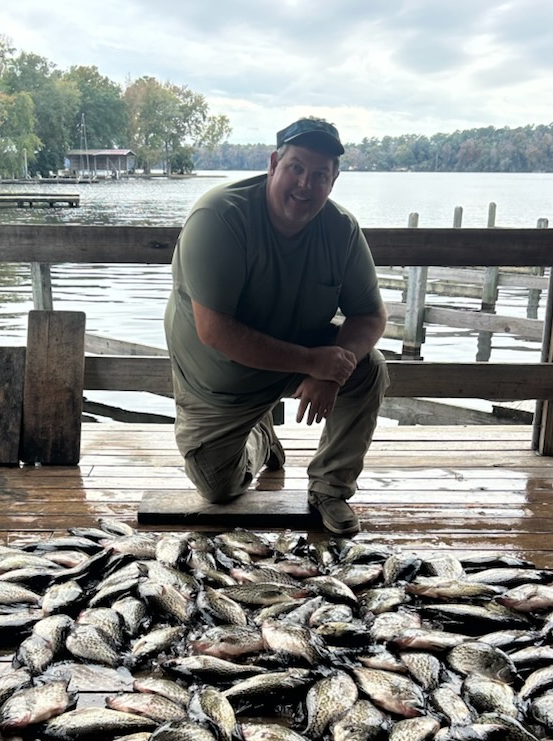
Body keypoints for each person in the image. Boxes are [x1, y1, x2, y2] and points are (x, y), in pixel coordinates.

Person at [164, 117, 388, 536]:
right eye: (297, 168)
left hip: (296, 358)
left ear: (333, 181)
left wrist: (335, 372)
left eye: (320, 174)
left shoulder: (341, 230)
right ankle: (261, 438)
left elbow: (371, 316)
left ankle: (330, 489)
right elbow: (216, 331)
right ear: (273, 164)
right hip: (218, 383)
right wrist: (315, 363)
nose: (306, 184)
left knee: (369, 366)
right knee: (218, 489)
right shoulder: (219, 216)